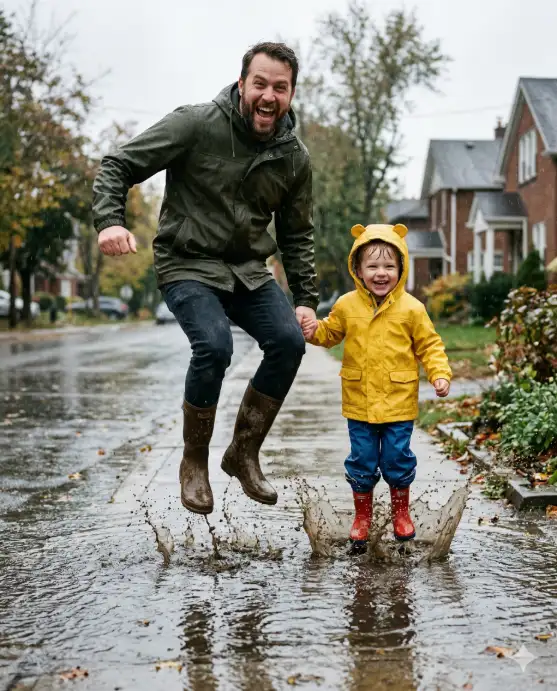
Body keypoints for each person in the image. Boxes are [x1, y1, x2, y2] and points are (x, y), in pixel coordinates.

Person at [92, 42, 318, 515]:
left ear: (292, 93)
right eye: (260, 84)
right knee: (215, 346)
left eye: (281, 87)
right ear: (242, 85)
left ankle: (243, 452)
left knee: (288, 341)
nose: (269, 95)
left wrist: (306, 299)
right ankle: (194, 459)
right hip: (187, 262)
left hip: (248, 271)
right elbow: (118, 164)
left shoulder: (293, 156)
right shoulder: (196, 124)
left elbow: (297, 234)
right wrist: (110, 221)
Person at [302, 222, 451, 549]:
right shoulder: (346, 305)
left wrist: (440, 374)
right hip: (360, 402)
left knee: (397, 458)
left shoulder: (412, 308)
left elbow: (430, 345)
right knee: (362, 460)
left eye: (389, 266)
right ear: (357, 268)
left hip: (399, 402)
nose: (381, 273)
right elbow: (330, 334)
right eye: (372, 266)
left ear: (402, 268)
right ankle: (362, 517)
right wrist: (313, 331)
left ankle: (401, 513)